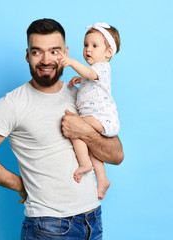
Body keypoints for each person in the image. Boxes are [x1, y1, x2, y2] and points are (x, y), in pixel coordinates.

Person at [0, 18, 124, 239]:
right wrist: (19, 184)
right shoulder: (13, 104)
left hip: (92, 220)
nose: (46, 60)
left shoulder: (82, 95)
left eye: (54, 51)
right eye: (37, 52)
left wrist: (84, 132)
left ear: (65, 53)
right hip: (49, 226)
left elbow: (117, 154)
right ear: (28, 55)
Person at [57, 22, 121, 200]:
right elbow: (90, 77)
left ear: (108, 53)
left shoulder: (101, 67)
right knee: (92, 147)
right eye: (86, 45)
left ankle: (84, 164)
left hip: (101, 117)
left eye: (94, 46)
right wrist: (80, 78)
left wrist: (72, 63)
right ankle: (102, 180)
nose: (88, 50)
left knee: (76, 129)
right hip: (97, 117)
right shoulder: (93, 71)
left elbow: (91, 74)